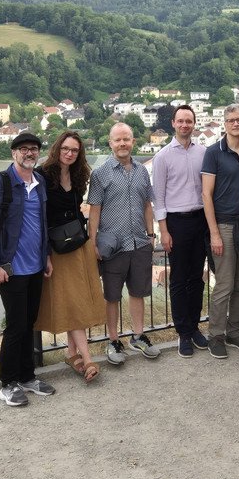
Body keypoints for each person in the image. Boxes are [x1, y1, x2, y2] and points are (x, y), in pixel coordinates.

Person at [0, 132, 55, 407]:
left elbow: (41, 223)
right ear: (14, 153)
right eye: (23, 149)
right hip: (11, 269)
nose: (29, 153)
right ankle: (7, 383)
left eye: (33, 149)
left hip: (35, 266)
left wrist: (46, 256)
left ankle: (27, 376)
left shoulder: (40, 182)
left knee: (29, 323)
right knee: (16, 326)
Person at [34, 131, 106, 383]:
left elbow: (76, 210)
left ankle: (71, 353)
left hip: (78, 243)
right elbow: (39, 217)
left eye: (74, 150)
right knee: (72, 303)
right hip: (56, 248)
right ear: (57, 149)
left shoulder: (78, 176)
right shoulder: (42, 175)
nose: (69, 153)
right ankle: (87, 359)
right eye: (66, 148)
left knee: (77, 300)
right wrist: (45, 255)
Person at [89, 122, 160, 365]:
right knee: (112, 296)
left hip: (139, 242)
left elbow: (147, 205)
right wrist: (92, 243)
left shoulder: (142, 171)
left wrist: (151, 236)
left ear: (133, 142)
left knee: (138, 293)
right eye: (117, 140)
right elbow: (94, 211)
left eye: (126, 139)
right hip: (113, 244)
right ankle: (113, 340)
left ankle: (138, 336)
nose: (122, 144)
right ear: (110, 143)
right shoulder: (100, 174)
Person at [202, 104, 239, 359]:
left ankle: (235, 332)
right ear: (224, 124)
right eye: (231, 120)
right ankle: (215, 335)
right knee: (224, 284)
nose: (236, 124)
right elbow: (206, 194)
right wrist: (214, 233)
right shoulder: (213, 152)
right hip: (224, 225)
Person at [152, 105, 209, 358]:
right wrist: (163, 231)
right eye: (181, 121)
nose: (185, 125)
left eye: (189, 121)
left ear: (194, 124)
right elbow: (159, 198)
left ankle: (195, 327)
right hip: (176, 222)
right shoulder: (163, 156)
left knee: (197, 278)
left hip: (200, 220)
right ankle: (183, 333)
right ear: (174, 123)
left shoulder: (204, 153)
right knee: (178, 280)